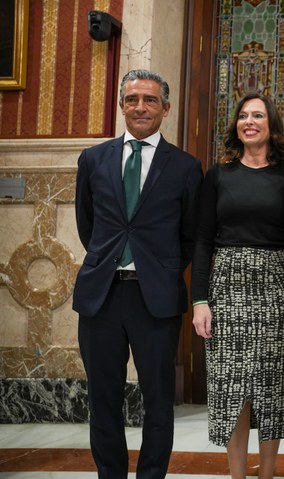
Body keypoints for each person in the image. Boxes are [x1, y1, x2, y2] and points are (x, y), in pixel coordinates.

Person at [73, 69, 203, 478]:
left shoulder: (185, 166)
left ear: (166, 108)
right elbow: (87, 224)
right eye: (132, 99)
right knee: (103, 400)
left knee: (159, 401)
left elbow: (190, 235)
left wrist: (159, 269)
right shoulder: (93, 159)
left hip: (155, 300)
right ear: (121, 106)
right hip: (101, 296)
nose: (140, 107)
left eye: (150, 100)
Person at [190, 93, 284, 479]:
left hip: (277, 286)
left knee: (272, 387)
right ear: (236, 126)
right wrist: (199, 300)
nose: (249, 122)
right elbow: (203, 241)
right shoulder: (218, 175)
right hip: (227, 287)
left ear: (271, 125)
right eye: (243, 116)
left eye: (258, 115)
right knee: (232, 387)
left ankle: (267, 474)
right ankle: (238, 475)